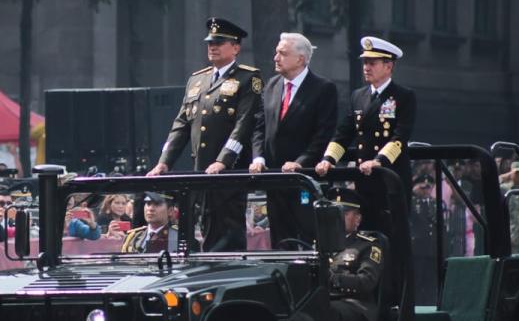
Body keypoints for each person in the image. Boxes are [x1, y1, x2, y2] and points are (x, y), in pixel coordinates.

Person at [148, 17, 261, 251]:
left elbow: (244, 125)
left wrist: (223, 161)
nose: (213, 46)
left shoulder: (248, 78)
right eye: (210, 42)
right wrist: (163, 162)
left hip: (229, 172)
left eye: (220, 42)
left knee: (226, 233)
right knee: (204, 228)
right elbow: (181, 124)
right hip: (200, 169)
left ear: (236, 47)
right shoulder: (197, 80)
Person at [250, 32, 338, 244]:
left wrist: (301, 162)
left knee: (308, 238)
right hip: (275, 179)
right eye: (276, 53)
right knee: (280, 239)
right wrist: (258, 157)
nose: (276, 58)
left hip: (305, 181)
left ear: (300, 59)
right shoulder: (271, 85)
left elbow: (323, 134)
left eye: (282, 53)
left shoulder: (323, 88)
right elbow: (260, 126)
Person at [316, 37, 417, 193]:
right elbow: (343, 134)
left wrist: (378, 161)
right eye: (365, 63)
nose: (366, 68)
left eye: (372, 63)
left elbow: (400, 137)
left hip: (391, 176)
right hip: (363, 177)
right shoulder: (358, 96)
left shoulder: (403, 96)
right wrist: (328, 159)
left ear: (388, 66)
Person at [327, 188, 389, 321]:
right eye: (335, 212)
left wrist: (335, 279)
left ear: (357, 219)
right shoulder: (321, 245)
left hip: (356, 306)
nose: (338, 217)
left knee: (324, 311)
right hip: (327, 300)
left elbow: (367, 281)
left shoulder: (368, 245)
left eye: (345, 213)